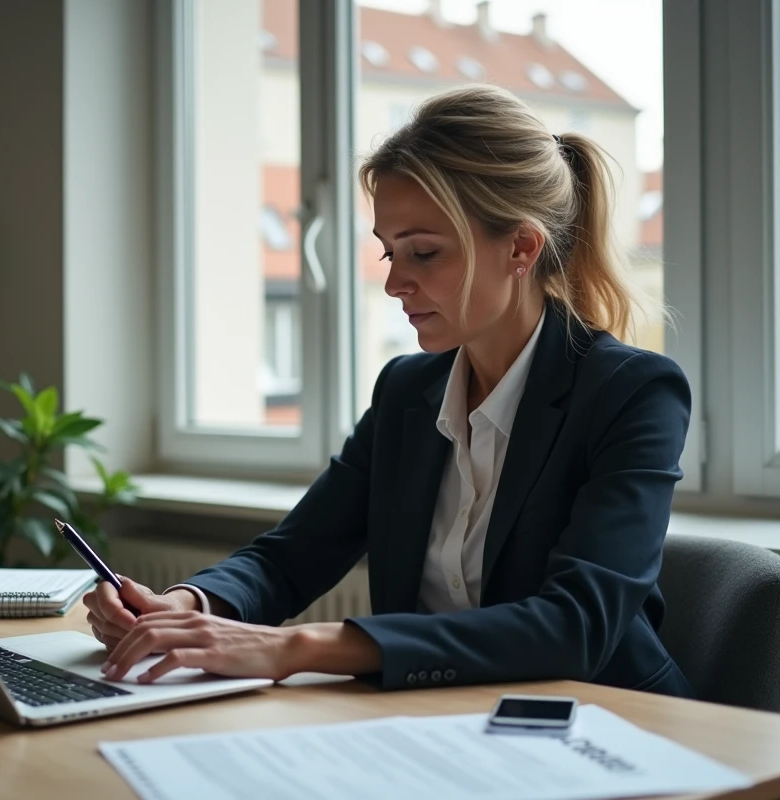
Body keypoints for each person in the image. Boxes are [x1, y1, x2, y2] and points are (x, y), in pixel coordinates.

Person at [85, 84, 694, 698]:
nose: (395, 282)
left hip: (607, 728)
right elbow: (291, 556)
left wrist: (295, 647)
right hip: (436, 725)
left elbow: (575, 627)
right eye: (388, 252)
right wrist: (186, 604)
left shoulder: (633, 392)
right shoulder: (407, 390)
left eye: (424, 253)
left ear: (521, 247)